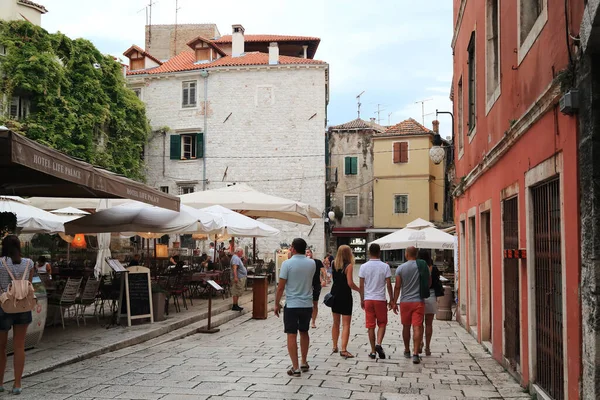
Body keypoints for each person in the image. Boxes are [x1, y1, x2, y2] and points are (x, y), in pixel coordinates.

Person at [274, 238, 318, 377]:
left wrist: (276, 303)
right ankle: (304, 361)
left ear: (292, 248)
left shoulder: (287, 264)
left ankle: (295, 367)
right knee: (304, 332)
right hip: (307, 304)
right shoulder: (312, 263)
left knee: (291, 334)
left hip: (292, 304)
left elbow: (281, 286)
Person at [0, 235, 34, 394]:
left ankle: (0, 383)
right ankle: (17, 384)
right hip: (23, 306)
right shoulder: (29, 263)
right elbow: (29, 284)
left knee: (1, 347)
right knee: (19, 345)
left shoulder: (0, 263)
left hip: (4, 306)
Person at [392, 246, 430, 364]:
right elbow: (428, 282)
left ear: (406, 254)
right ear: (416, 254)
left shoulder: (400, 268)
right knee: (417, 326)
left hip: (405, 302)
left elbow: (397, 286)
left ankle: (407, 350)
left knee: (406, 326)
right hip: (418, 301)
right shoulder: (423, 266)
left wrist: (394, 301)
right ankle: (415, 353)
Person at [359, 243, 393, 360]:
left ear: (369, 252)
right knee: (382, 323)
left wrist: (362, 299)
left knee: (370, 326)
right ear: (379, 252)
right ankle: (378, 343)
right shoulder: (385, 266)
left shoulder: (363, 267)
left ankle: (373, 351)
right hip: (380, 299)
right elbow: (388, 284)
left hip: (368, 299)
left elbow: (361, 285)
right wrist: (392, 299)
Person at [330, 245, 360, 358]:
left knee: (335, 322)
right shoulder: (349, 266)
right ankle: (343, 349)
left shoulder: (333, 264)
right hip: (345, 296)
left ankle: (334, 345)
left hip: (334, 295)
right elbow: (350, 283)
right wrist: (359, 290)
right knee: (346, 324)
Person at [418, 249, 444, 356]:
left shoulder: (418, 268)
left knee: (419, 323)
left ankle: (419, 343)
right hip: (432, 295)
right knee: (429, 323)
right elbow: (437, 282)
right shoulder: (434, 268)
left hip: (420, 296)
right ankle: (427, 347)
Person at [306, 249, 325, 328]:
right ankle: (306, 319)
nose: (308, 254)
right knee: (306, 303)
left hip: (316, 284)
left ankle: (313, 321)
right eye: (306, 252)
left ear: (311, 253)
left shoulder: (317, 262)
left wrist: (324, 280)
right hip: (306, 284)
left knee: (315, 303)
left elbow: (323, 271)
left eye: (309, 252)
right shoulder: (304, 263)